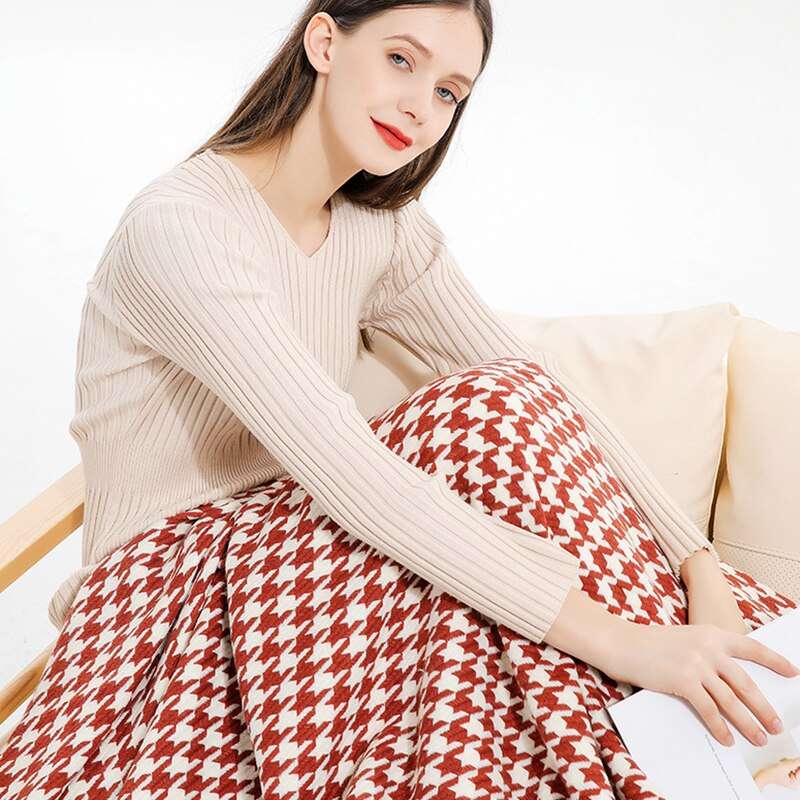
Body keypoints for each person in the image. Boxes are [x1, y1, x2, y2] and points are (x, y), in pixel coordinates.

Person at [1, 2, 797, 797]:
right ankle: (681, 735)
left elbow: (533, 388)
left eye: (450, 91)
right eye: (401, 61)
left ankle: (709, 709)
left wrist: (702, 570)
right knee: (471, 420)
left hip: (295, 573)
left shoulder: (378, 226)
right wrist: (623, 642)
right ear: (324, 42)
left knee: (500, 411)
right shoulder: (181, 228)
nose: (422, 108)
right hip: (161, 608)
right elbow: (347, 468)